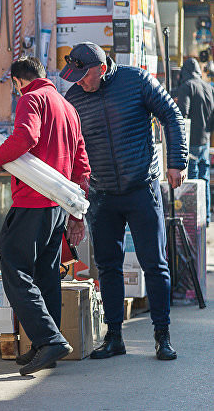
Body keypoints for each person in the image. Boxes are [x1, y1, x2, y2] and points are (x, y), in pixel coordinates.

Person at [61, 42, 188, 361]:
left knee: (155, 264)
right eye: (73, 76)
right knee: (107, 266)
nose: (77, 81)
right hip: (101, 194)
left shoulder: (137, 81)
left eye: (83, 75)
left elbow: (172, 116)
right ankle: (114, 336)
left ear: (102, 69)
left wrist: (177, 161)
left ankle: (163, 335)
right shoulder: (73, 97)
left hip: (141, 187)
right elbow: (68, 146)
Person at [0, 56, 90, 375]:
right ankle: (45, 345)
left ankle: (49, 339)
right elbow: (81, 163)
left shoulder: (31, 99)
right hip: (58, 205)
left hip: (32, 202)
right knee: (46, 273)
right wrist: (75, 212)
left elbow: (25, 138)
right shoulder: (66, 106)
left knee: (14, 267)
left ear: (18, 82)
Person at [177, 57, 214, 225]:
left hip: (191, 142)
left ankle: (194, 221)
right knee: (204, 181)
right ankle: (205, 218)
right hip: (205, 141)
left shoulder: (187, 86)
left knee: (192, 182)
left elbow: (182, 114)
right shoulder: (209, 87)